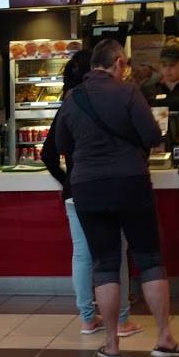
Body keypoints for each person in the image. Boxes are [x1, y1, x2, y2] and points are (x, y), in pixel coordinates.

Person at [53, 38, 179, 357]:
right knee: (149, 258)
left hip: (87, 188)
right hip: (130, 183)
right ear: (118, 63)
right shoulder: (128, 92)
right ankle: (164, 339)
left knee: (105, 263)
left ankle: (111, 345)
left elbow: (61, 143)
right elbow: (153, 137)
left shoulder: (72, 98)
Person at [41, 53, 142, 338]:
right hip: (112, 186)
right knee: (116, 253)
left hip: (77, 190)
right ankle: (121, 320)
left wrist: (67, 179)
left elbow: (49, 153)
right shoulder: (115, 99)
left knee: (82, 255)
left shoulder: (69, 105)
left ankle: (87, 319)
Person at [143, 43, 179, 135]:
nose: (168, 69)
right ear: (160, 65)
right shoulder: (149, 88)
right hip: (159, 141)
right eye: (164, 65)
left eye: (172, 65)